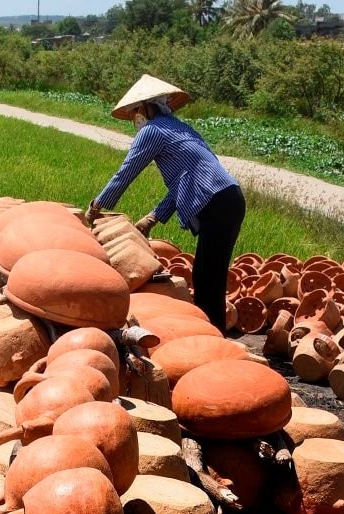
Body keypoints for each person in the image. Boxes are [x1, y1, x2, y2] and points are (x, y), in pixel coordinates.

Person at [87, 74, 245, 330]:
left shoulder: (152, 131)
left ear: (147, 107)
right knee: (207, 276)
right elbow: (183, 182)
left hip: (218, 203)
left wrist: (97, 206)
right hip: (229, 199)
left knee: (208, 279)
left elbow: (127, 172)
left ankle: (212, 338)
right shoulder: (180, 128)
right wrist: (153, 217)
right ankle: (211, 332)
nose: (135, 117)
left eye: (136, 110)